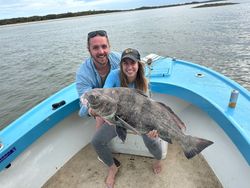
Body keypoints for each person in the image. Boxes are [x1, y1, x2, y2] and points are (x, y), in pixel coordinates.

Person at [91, 48, 163, 187]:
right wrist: (94, 109)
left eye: (133, 63)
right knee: (96, 141)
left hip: (138, 120)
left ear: (138, 64)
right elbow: (104, 95)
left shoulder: (143, 83)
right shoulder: (113, 76)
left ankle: (159, 159)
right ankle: (112, 168)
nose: (129, 67)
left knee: (153, 141)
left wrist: (151, 128)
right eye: (125, 63)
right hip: (117, 118)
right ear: (121, 65)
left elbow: (146, 109)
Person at [76, 30, 121, 188]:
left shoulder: (119, 59)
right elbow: (83, 103)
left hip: (121, 104)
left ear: (109, 46)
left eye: (104, 46)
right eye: (95, 48)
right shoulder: (83, 73)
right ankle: (111, 167)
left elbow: (136, 71)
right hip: (100, 108)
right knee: (97, 136)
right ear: (89, 50)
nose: (101, 52)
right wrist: (93, 111)